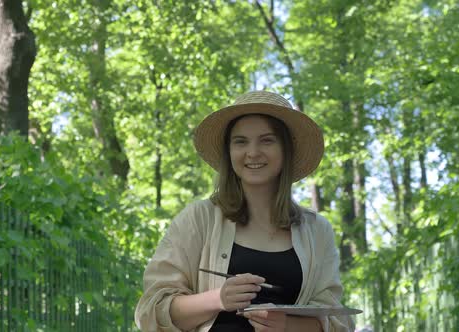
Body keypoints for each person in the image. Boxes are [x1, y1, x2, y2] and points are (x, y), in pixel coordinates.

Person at [135, 91, 354, 332]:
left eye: (267, 140)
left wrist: (287, 325)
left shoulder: (317, 230)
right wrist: (218, 298)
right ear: (229, 152)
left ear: (286, 150)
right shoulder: (198, 219)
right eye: (240, 141)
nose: (252, 152)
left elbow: (338, 322)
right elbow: (152, 313)